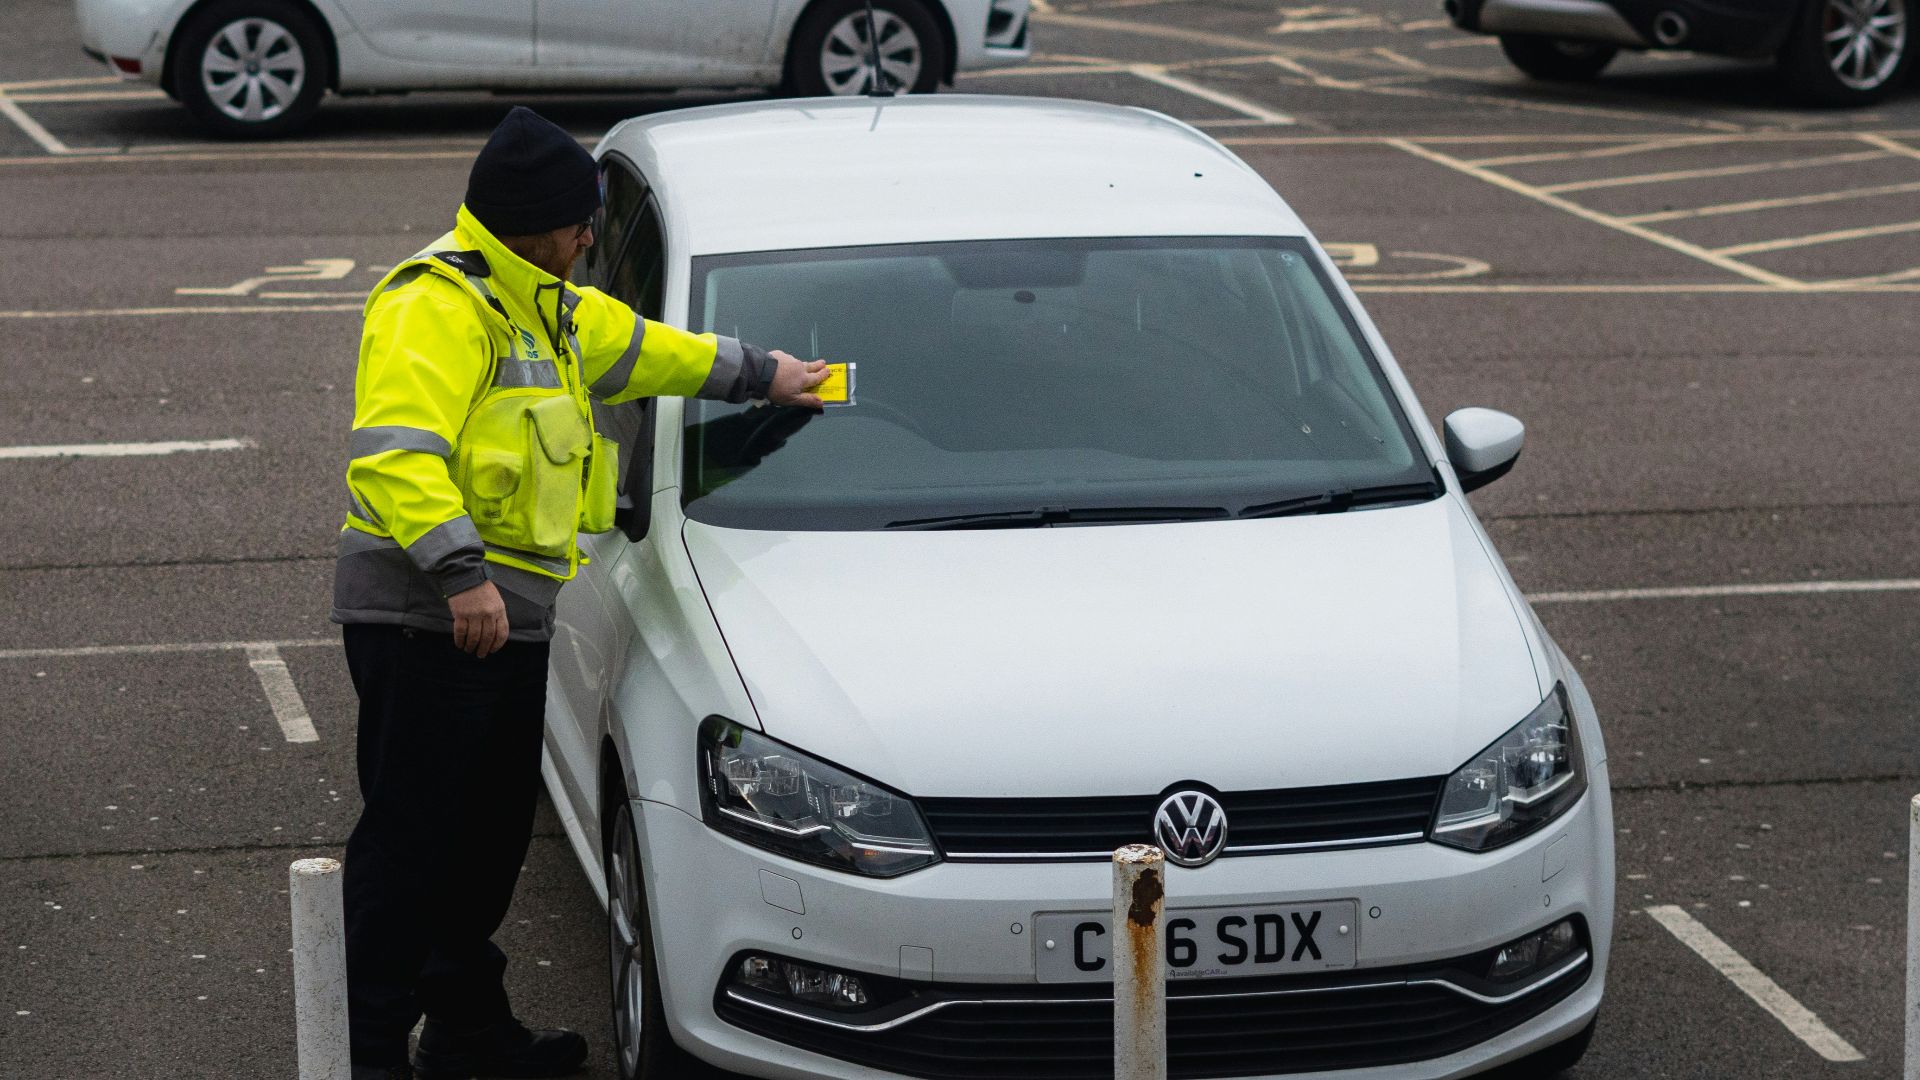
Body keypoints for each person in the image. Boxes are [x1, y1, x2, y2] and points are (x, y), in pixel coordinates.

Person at [331, 106, 826, 1080]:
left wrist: (768, 375)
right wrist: (460, 577)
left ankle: (468, 1034)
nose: (590, 237)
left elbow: (650, 349)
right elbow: (395, 458)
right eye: (579, 223)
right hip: (430, 622)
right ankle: (374, 1056)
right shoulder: (438, 303)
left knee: (482, 850)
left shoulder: (546, 300)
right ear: (531, 225)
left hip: (504, 624)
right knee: (408, 851)